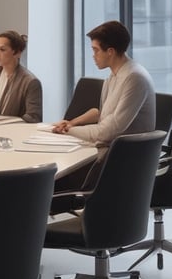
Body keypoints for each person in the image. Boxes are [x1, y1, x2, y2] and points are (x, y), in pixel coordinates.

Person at [51, 20, 155, 192]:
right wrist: (71, 123)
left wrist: (67, 131)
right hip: (109, 149)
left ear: (110, 52)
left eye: (96, 50)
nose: (93, 55)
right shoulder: (113, 77)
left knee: (56, 172)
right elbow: (103, 114)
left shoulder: (134, 78)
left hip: (122, 159)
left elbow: (108, 130)